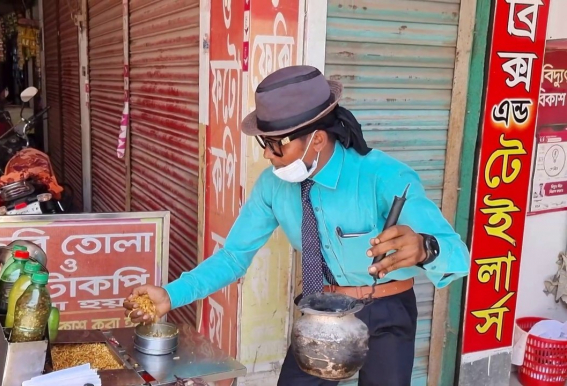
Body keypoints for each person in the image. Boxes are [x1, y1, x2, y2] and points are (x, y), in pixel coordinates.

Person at [123, 65, 471, 386]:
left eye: (277, 145)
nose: (268, 155)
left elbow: (458, 256)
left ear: (317, 139)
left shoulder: (383, 176)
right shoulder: (274, 185)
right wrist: (171, 294)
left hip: (385, 314)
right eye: (265, 143)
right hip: (320, 312)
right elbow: (233, 257)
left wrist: (427, 247)